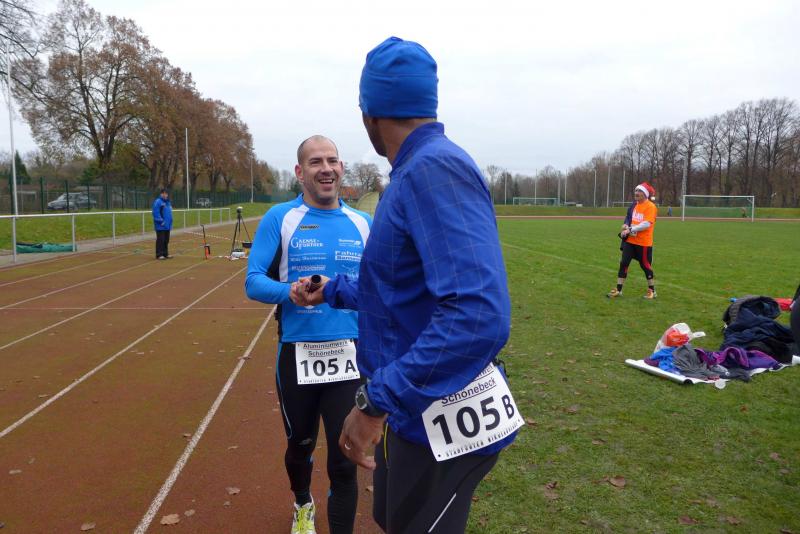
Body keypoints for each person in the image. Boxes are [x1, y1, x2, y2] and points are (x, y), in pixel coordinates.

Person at [292, 37, 522, 533]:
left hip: (439, 413)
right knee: (388, 516)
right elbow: (398, 287)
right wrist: (333, 289)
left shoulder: (433, 169)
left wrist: (378, 401)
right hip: (417, 412)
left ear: (369, 113)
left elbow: (478, 316)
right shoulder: (412, 172)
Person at [245, 135, 372, 534]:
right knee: (299, 445)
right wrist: (290, 293)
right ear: (300, 172)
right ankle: (303, 502)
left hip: (350, 355)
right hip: (296, 354)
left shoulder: (363, 224)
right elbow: (253, 280)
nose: (326, 168)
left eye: (332, 160)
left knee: (344, 458)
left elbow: (380, 287)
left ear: (342, 168)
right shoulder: (280, 219)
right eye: (316, 162)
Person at [608, 182, 658, 299]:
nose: (636, 193)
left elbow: (646, 224)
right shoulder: (634, 205)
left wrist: (630, 229)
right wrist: (626, 225)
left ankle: (652, 291)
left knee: (645, 265)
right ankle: (619, 290)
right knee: (623, 263)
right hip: (630, 241)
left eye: (639, 191)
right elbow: (629, 218)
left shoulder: (651, 207)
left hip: (643, 242)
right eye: (636, 190)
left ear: (645, 194)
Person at [151, 188, 173, 259]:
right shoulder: (158, 202)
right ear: (161, 194)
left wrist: (170, 223)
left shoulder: (168, 202)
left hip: (167, 225)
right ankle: (159, 254)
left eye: (166, 193)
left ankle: (165, 253)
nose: (165, 195)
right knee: (161, 240)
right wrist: (161, 221)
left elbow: (169, 213)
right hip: (160, 225)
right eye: (164, 193)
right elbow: (155, 213)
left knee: (166, 240)